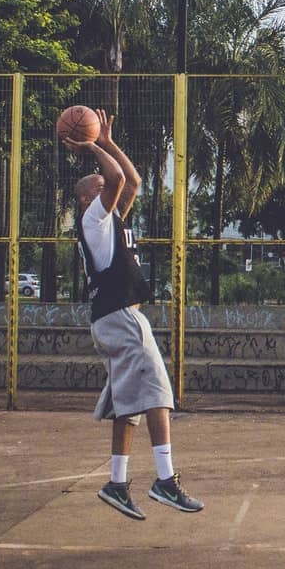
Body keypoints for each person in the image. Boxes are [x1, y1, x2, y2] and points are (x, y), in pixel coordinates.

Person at [65, 109, 203, 520]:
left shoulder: (111, 218)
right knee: (158, 393)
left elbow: (133, 180)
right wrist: (90, 144)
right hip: (121, 318)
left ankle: (117, 483)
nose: (106, 181)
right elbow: (120, 180)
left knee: (131, 406)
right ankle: (165, 480)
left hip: (114, 318)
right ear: (90, 197)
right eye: (99, 182)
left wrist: (106, 142)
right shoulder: (93, 219)